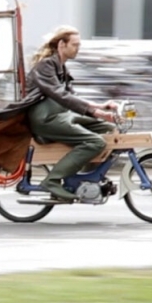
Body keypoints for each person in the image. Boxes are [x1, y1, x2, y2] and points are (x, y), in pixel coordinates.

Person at [22, 25, 118, 201]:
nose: (77, 48)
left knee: (108, 128)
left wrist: (100, 108)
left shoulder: (61, 67)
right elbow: (61, 95)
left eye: (78, 45)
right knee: (95, 142)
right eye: (75, 45)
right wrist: (96, 111)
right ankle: (52, 180)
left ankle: (87, 178)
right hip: (45, 119)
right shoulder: (46, 66)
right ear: (62, 45)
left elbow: (72, 97)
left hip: (61, 115)